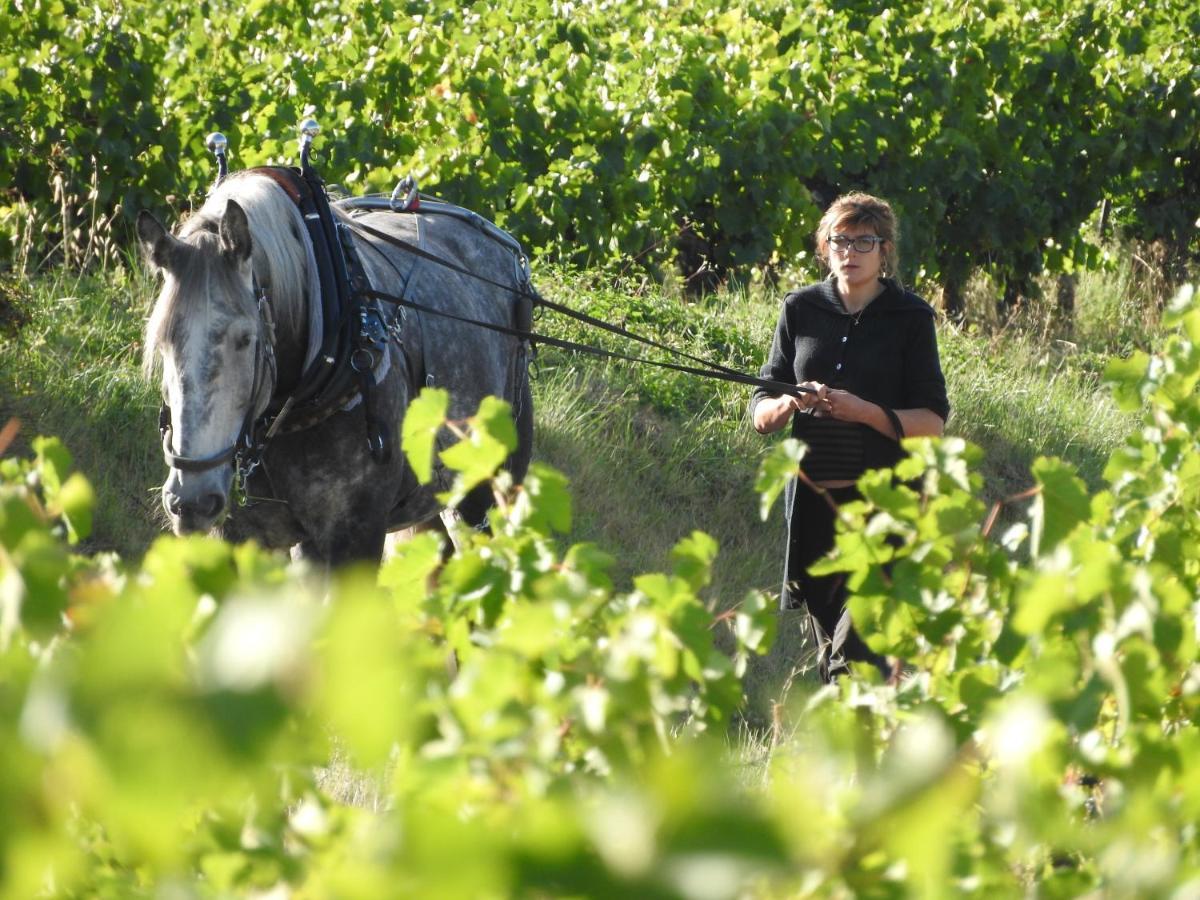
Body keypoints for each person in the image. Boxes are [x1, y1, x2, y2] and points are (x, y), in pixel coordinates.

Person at [750, 192, 949, 682]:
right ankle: (865, 746)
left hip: (885, 506)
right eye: (840, 240)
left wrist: (865, 412)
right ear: (825, 247)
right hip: (816, 507)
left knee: (855, 651)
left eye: (864, 242)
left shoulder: (911, 318)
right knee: (834, 658)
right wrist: (792, 401)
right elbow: (761, 409)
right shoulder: (799, 308)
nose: (850, 252)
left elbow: (933, 422)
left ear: (885, 251)